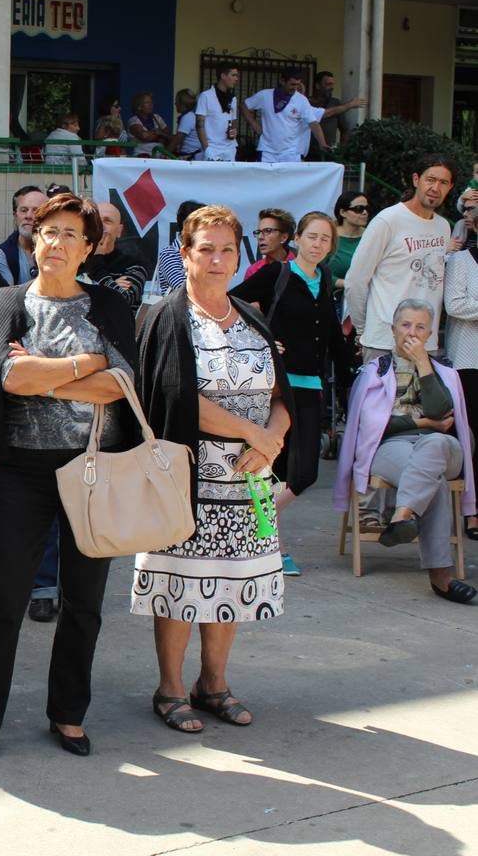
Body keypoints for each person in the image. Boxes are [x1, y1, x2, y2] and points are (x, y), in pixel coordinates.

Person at [0, 192, 140, 767]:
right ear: (34, 240)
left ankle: (69, 712)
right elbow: (11, 380)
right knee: (5, 598)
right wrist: (87, 366)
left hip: (93, 468)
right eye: (48, 231)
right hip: (22, 472)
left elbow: (123, 386)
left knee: (83, 601)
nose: (56, 242)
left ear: (89, 247)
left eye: (70, 234)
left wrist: (49, 377)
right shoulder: (7, 304)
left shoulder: (109, 308)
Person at [133, 204, 293, 734]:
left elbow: (282, 394)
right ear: (186, 253)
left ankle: (214, 684)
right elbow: (172, 397)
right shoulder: (165, 317)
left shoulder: (251, 316)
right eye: (207, 248)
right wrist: (254, 433)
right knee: (180, 585)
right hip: (188, 480)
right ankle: (171, 688)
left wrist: (272, 441)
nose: (218, 258)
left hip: (248, 483)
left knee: (231, 584)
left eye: (228, 248)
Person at [232, 212, 352, 575]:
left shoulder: (326, 278)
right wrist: (262, 339)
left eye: (325, 239)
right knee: (276, 468)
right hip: (278, 385)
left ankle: (255, 520)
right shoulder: (276, 273)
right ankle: (274, 548)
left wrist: (349, 376)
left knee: (303, 475)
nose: (317, 244)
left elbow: (331, 333)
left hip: (312, 384)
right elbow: (231, 302)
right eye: (312, 237)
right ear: (296, 239)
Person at [334, 299, 476, 605]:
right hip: (391, 449)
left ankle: (402, 515)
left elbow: (444, 412)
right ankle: (442, 577)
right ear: (393, 329)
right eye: (406, 325)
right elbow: (373, 427)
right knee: (432, 478)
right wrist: (421, 421)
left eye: (421, 326)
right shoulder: (374, 371)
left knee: (437, 445)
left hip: (443, 448)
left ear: (430, 334)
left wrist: (423, 364)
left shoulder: (444, 371)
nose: (412, 332)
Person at [345, 154, 457, 360]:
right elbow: (356, 280)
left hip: (426, 344)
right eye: (430, 180)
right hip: (385, 342)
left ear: (450, 187)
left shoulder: (443, 227)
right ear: (416, 180)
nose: (435, 188)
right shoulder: (388, 220)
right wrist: (363, 330)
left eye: (443, 182)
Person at [443, 240, 478, 538]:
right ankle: (471, 512)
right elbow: (454, 304)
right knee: (469, 438)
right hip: (468, 361)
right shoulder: (461, 261)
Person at [82, 202, 148, 310]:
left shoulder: (134, 266)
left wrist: (97, 262)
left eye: (107, 221)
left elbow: (124, 299)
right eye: (96, 220)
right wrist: (111, 288)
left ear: (119, 231)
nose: (101, 225)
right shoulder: (75, 261)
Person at [0, 185, 47, 287]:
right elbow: (8, 294)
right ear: (15, 215)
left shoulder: (56, 251)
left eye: (36, 211)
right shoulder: (1, 254)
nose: (28, 216)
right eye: (24, 210)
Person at [154, 200, 206, 294]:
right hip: (179, 308)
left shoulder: (209, 253)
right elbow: (182, 287)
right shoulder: (169, 254)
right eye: (203, 225)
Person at [328, 191, 370, 300]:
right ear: (342, 212)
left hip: (365, 298)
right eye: (358, 209)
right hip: (333, 299)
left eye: (367, 208)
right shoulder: (328, 237)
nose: (365, 212)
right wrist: (345, 283)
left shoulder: (371, 235)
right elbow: (316, 270)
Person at [195, 64, 240, 162]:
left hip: (230, 149)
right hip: (212, 149)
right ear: (223, 76)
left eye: (237, 76)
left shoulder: (233, 98)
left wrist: (233, 131)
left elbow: (234, 120)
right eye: (233, 75)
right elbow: (199, 125)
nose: (236, 79)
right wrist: (206, 149)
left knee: (228, 178)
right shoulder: (206, 96)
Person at [242, 208, 296, 282]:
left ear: (284, 237)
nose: (260, 237)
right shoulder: (254, 271)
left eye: (267, 231)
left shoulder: (302, 265)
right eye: (258, 232)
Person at [127, 92, 172, 157]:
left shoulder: (157, 118)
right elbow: (144, 136)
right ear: (139, 107)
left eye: (151, 102)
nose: (151, 105)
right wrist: (160, 135)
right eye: (147, 102)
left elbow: (170, 136)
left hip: (160, 156)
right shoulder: (133, 120)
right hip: (142, 156)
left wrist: (160, 133)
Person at [170, 89, 202, 160]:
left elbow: (178, 139)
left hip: (190, 157)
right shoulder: (192, 115)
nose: (175, 103)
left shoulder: (188, 117)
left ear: (182, 103)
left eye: (177, 100)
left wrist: (164, 153)